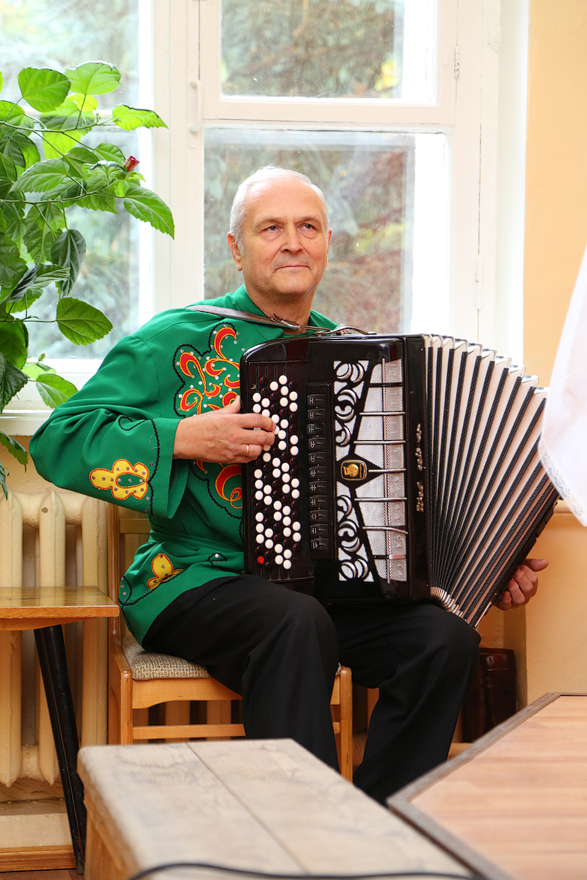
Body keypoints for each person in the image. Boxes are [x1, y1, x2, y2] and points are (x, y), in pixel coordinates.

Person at [30, 166, 547, 803]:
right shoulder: (174, 338)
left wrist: (486, 562)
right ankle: (304, 834)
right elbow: (58, 439)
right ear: (236, 247)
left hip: (324, 589)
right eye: (271, 228)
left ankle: (385, 826)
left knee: (444, 640)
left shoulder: (354, 354)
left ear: (328, 241)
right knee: (296, 622)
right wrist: (184, 437)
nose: (293, 242)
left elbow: (399, 494)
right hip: (195, 578)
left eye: (307, 227)